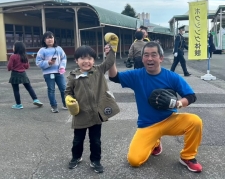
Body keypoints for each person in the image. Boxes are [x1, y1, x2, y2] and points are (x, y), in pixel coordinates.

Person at [108, 41, 203, 173]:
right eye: (146, 55)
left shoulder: (171, 77)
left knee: (195, 121)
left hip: (169, 119)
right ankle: (155, 142)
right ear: (142, 59)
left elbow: (191, 96)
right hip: (147, 125)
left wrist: (178, 103)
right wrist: (111, 58)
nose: (150, 58)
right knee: (134, 161)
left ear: (161, 58)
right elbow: (114, 77)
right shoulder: (137, 75)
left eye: (154, 55)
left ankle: (188, 156)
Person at [65, 33, 120, 173]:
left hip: (96, 114)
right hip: (80, 114)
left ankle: (95, 161)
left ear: (93, 60)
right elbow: (68, 92)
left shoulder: (98, 71)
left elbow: (109, 62)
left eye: (89, 58)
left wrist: (112, 49)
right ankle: (75, 157)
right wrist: (68, 99)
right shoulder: (73, 76)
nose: (86, 61)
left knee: (95, 140)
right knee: (78, 140)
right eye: (82, 58)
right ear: (76, 60)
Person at [36, 31, 67, 113]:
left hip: (59, 73)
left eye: (51, 37)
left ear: (54, 39)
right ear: (44, 40)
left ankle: (65, 104)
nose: (50, 39)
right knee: (51, 89)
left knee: (64, 88)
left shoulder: (59, 49)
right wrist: (47, 63)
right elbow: (38, 62)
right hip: (48, 74)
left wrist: (62, 67)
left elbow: (64, 58)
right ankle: (54, 106)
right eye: (47, 38)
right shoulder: (42, 50)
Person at [7, 41, 43, 109]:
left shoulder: (13, 56)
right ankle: (35, 99)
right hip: (23, 74)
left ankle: (18, 104)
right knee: (29, 87)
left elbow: (9, 66)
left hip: (15, 74)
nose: (13, 48)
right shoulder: (24, 56)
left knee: (16, 90)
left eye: (13, 46)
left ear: (16, 48)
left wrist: (10, 69)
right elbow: (27, 67)